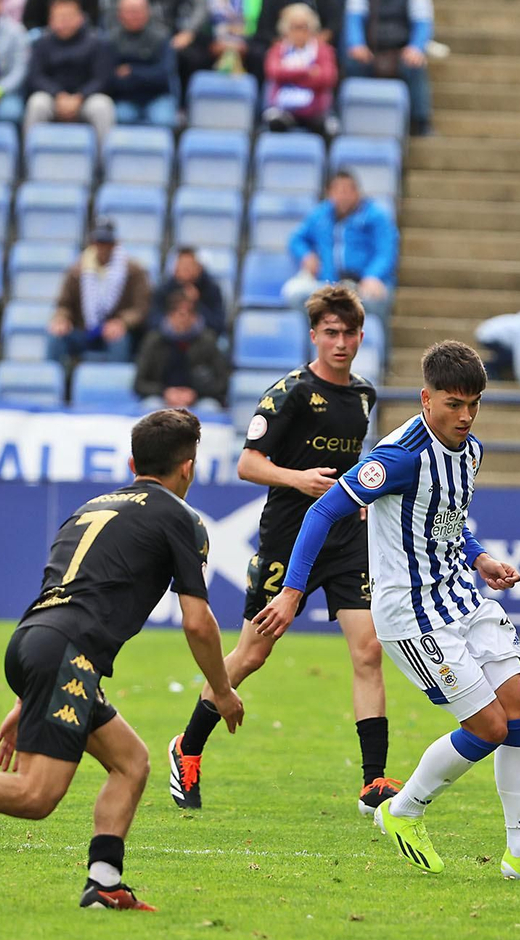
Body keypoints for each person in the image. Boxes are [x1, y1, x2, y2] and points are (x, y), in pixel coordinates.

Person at [0, 409, 245, 912]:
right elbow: (198, 622)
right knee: (36, 796)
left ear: (133, 463)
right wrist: (222, 691)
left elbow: (60, 595)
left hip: (35, 641)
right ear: (188, 468)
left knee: (131, 762)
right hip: (66, 653)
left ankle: (104, 882)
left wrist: (27, 698)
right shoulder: (181, 518)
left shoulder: (88, 509)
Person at [253, 341, 520, 884]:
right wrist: (291, 591)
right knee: (489, 727)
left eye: (474, 404)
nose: (466, 416)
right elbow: (323, 511)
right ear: (426, 400)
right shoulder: (399, 457)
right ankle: (403, 810)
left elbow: (447, 517)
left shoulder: (470, 451)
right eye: (454, 404)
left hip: (461, 598)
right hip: (413, 614)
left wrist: (480, 557)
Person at [167, 285, 389, 811]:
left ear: (361, 336)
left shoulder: (363, 394)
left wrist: (359, 494)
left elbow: (354, 460)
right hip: (288, 539)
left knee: (369, 650)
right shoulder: (289, 392)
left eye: (349, 333)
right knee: (253, 653)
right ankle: (187, 747)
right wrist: (299, 479)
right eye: (330, 333)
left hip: (345, 539)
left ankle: (373, 783)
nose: (340, 342)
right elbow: (248, 463)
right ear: (314, 335)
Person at [287, 169, 398, 319]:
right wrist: (306, 255)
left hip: (362, 283)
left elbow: (385, 253)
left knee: (374, 300)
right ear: (329, 193)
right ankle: (316, 333)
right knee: (295, 294)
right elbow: (296, 239)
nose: (343, 196)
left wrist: (372, 276)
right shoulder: (320, 215)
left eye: (348, 190)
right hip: (327, 284)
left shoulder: (376, 216)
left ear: (357, 192)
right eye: (338, 191)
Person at [48, 219, 153, 363]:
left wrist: (122, 322)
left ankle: (116, 377)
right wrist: (62, 318)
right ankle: (51, 375)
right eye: (99, 242)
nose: (102, 247)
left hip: (115, 331)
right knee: (56, 336)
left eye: (106, 242)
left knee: (119, 340)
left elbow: (141, 308)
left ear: (115, 244)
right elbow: (64, 304)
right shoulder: (76, 271)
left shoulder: (134, 271)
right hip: (83, 329)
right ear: (92, 243)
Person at [342, 0, 432, 135]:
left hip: (401, 53)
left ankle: (420, 122)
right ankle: (352, 121)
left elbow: (422, 24)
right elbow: (354, 21)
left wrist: (416, 48)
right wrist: (357, 45)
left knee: (415, 65)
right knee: (352, 62)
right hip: (370, 53)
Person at [24, 0, 117, 144]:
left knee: (102, 106)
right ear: (50, 20)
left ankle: (104, 158)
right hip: (53, 98)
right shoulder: (41, 43)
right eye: (59, 17)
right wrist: (58, 95)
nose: (64, 21)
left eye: (69, 16)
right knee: (37, 103)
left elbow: (102, 79)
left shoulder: (97, 43)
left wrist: (79, 97)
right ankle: (30, 155)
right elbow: (36, 76)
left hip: (86, 99)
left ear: (80, 18)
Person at [133, 292, 230, 405]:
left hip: (198, 398)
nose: (184, 318)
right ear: (169, 315)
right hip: (162, 397)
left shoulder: (207, 341)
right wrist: (165, 392)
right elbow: (139, 383)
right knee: (151, 405)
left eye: (190, 313)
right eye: (180, 314)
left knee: (209, 407)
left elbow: (222, 382)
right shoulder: (154, 341)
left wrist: (195, 393)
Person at [107, 0, 178, 127]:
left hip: (157, 97)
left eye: (137, 11)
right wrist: (146, 72)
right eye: (129, 11)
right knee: (120, 117)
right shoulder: (111, 40)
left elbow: (163, 75)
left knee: (164, 121)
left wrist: (132, 71)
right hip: (125, 99)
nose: (134, 16)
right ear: (120, 14)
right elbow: (111, 77)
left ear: (148, 12)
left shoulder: (161, 37)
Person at [262, 2, 336, 135]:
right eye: (294, 27)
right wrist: (307, 72)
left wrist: (289, 75)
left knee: (327, 128)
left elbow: (327, 78)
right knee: (274, 123)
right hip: (283, 110)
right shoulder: (277, 49)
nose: (299, 33)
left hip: (314, 111)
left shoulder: (323, 50)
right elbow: (274, 72)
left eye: (304, 27)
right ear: (286, 29)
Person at [184, 0, 270, 82]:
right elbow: (198, 19)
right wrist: (212, 44)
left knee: (261, 55)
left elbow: (263, 25)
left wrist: (244, 45)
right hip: (212, 39)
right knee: (189, 56)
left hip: (247, 39)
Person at [111, 0, 202, 50]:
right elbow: (112, 12)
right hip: (134, 36)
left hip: (171, 34)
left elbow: (199, 5)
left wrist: (189, 31)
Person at [148, 246, 224, 335]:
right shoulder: (164, 289)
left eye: (190, 265)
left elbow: (218, 325)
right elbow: (153, 320)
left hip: (200, 335)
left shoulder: (211, 289)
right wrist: (171, 322)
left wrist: (197, 304)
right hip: (168, 335)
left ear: (199, 268)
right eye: (182, 265)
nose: (186, 269)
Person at [254, 0, 339, 49]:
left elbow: (333, 22)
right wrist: (282, 45)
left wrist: (319, 41)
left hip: (315, 45)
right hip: (281, 45)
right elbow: (265, 28)